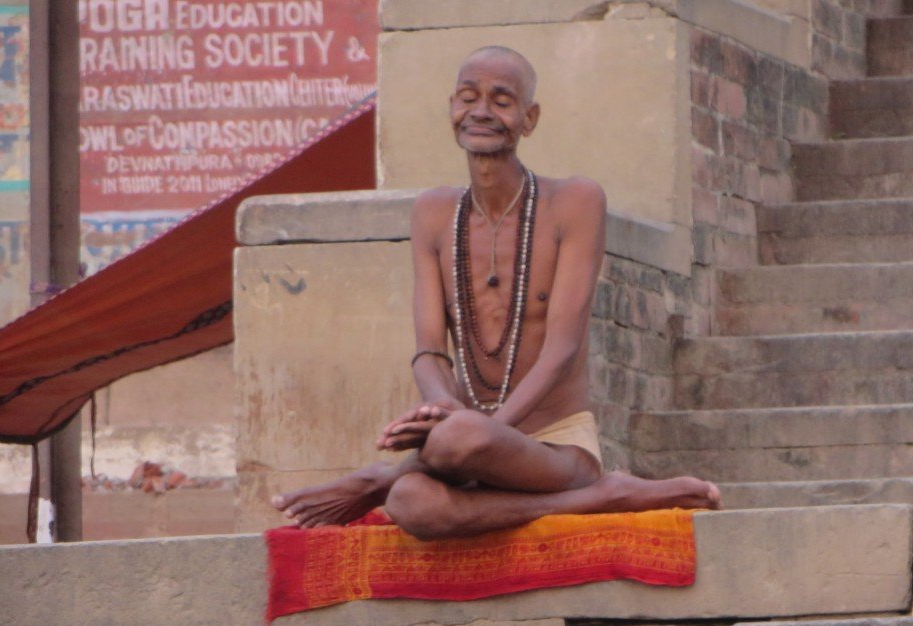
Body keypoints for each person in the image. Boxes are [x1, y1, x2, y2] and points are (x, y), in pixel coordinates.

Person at [272, 45, 720, 540]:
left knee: (455, 442)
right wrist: (440, 407)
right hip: (465, 445)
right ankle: (600, 497)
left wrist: (489, 430)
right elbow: (427, 351)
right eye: (468, 97)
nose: (481, 111)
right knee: (410, 503)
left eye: (501, 100)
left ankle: (380, 475)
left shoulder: (575, 201)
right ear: (451, 110)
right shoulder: (433, 213)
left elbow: (562, 348)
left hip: (553, 450)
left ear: (529, 119)